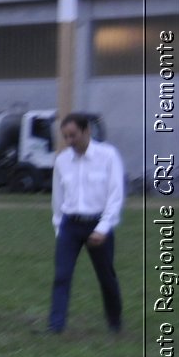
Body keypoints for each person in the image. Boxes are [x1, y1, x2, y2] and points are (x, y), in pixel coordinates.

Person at [47, 113, 125, 334]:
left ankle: (115, 324)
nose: (70, 140)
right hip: (70, 226)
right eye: (65, 137)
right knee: (61, 276)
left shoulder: (108, 155)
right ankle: (55, 326)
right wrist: (58, 228)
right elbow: (58, 198)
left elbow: (115, 195)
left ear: (86, 131)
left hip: (98, 224)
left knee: (106, 277)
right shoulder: (62, 160)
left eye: (73, 135)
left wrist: (103, 228)